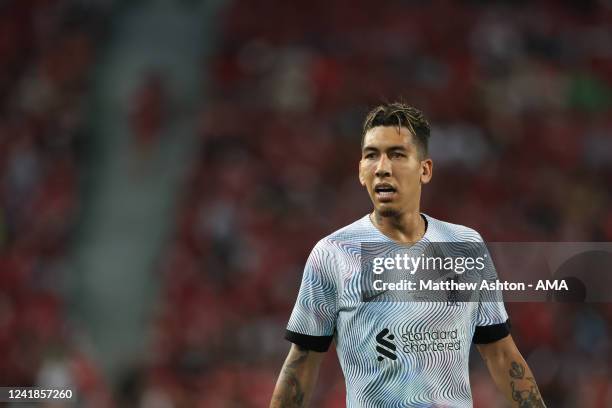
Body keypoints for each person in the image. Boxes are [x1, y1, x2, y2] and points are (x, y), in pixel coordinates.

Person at [269, 102, 546, 408]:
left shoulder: (465, 246)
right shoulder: (333, 254)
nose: (382, 167)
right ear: (361, 171)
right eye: (371, 155)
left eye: (397, 155)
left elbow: (501, 354)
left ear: (425, 170)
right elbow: (302, 362)